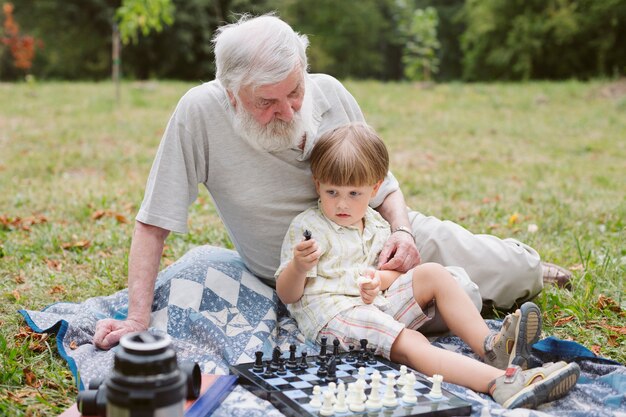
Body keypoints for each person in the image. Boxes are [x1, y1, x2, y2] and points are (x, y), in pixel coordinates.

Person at [93, 14, 570, 350]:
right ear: (232, 93)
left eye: (295, 91)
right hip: (321, 280)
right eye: (267, 102)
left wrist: (403, 233)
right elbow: (153, 223)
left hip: (380, 237)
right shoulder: (198, 113)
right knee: (459, 298)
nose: (288, 109)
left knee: (515, 273)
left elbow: (386, 188)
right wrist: (137, 318)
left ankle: (528, 268)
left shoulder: (331, 92)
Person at [275, 123, 579, 409]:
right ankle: (500, 383)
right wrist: (299, 267)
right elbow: (288, 294)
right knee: (412, 342)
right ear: (318, 185)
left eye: (354, 193)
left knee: (433, 272)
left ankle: (492, 346)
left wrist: (377, 279)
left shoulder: (377, 224)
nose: (342, 204)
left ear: (374, 188)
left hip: (375, 305)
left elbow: (395, 275)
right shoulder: (309, 227)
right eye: (332, 192)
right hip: (335, 318)